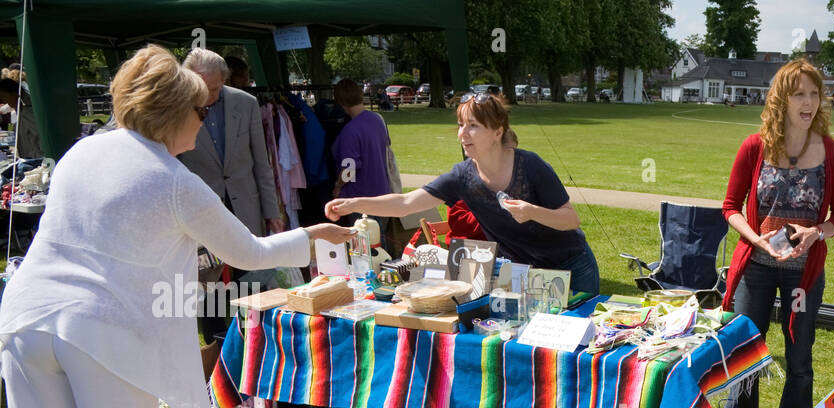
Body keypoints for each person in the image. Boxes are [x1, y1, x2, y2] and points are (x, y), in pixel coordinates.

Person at [0, 45, 352, 408]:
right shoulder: (173, 181)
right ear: (174, 114)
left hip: (25, 322)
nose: (204, 121)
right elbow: (250, 253)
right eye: (200, 111)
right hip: (98, 332)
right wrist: (313, 237)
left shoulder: (83, 153)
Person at [324, 92, 600, 294]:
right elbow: (406, 203)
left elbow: (570, 220)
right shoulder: (462, 176)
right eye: (460, 125)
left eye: (472, 126)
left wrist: (531, 212)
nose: (462, 134)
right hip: (525, 274)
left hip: (573, 266)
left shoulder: (531, 165)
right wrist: (352, 202)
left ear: (497, 131)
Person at [721, 58, 834, 408]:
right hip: (756, 270)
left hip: (802, 276)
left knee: (799, 361)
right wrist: (756, 240)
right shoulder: (754, 147)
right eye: (799, 95)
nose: (809, 103)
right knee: (745, 356)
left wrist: (817, 232)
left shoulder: (831, 152)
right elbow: (730, 207)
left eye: (814, 94)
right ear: (781, 100)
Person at [177, 48, 282, 238]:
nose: (210, 96)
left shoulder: (247, 104)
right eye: (203, 88)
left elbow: (261, 163)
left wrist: (272, 211)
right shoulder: (177, 108)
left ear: (225, 79)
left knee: (251, 267)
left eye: (216, 88)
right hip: (201, 213)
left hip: (246, 210)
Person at [329, 79, 392, 236]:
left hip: (361, 198)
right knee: (379, 241)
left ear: (341, 102)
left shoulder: (350, 131)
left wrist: (337, 186)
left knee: (367, 247)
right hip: (382, 192)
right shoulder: (377, 120)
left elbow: (349, 169)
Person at [0, 76, 40, 157]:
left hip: (37, 158)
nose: (3, 101)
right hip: (28, 156)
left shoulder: (28, 110)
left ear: (14, 93)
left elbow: (38, 138)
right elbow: (12, 127)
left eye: (3, 97)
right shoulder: (15, 109)